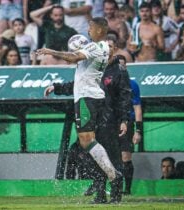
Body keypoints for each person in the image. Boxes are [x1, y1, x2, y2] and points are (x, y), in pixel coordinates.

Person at [38, 17, 124, 204]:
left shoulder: (96, 46)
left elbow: (73, 58)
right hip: (93, 98)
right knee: (88, 147)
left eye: (91, 27)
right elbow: (79, 73)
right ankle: (107, 186)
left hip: (87, 99)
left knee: (86, 142)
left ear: (100, 30)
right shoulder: (98, 49)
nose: (88, 30)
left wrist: (50, 51)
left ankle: (114, 177)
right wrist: (57, 87)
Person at [116, 55, 142, 195]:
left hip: (128, 122)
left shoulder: (133, 85)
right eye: (118, 65)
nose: (121, 68)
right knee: (111, 156)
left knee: (126, 156)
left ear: (126, 66)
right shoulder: (110, 83)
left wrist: (138, 130)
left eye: (123, 65)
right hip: (113, 122)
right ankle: (114, 187)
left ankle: (127, 189)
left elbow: (137, 108)